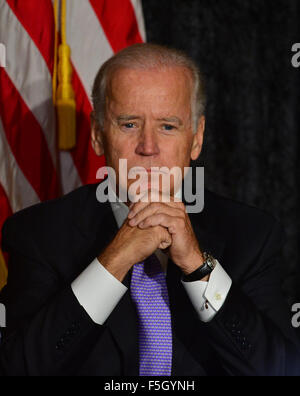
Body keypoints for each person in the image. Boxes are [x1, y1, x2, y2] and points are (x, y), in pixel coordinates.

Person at [0, 43, 299, 376]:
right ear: (98, 135)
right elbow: (16, 368)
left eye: (167, 126)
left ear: (197, 139)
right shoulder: (39, 234)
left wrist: (198, 268)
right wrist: (112, 262)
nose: (148, 147)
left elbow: (281, 369)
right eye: (129, 124)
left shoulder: (252, 235)